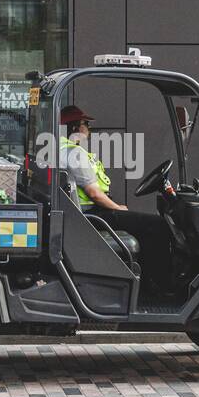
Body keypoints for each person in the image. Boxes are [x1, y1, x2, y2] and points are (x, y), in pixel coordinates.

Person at [59, 105, 169, 276]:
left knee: (138, 223)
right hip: (91, 215)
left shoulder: (59, 149)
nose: (89, 129)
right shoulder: (74, 153)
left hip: (80, 214)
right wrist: (117, 208)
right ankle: (158, 283)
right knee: (157, 225)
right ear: (76, 128)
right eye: (86, 125)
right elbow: (94, 193)